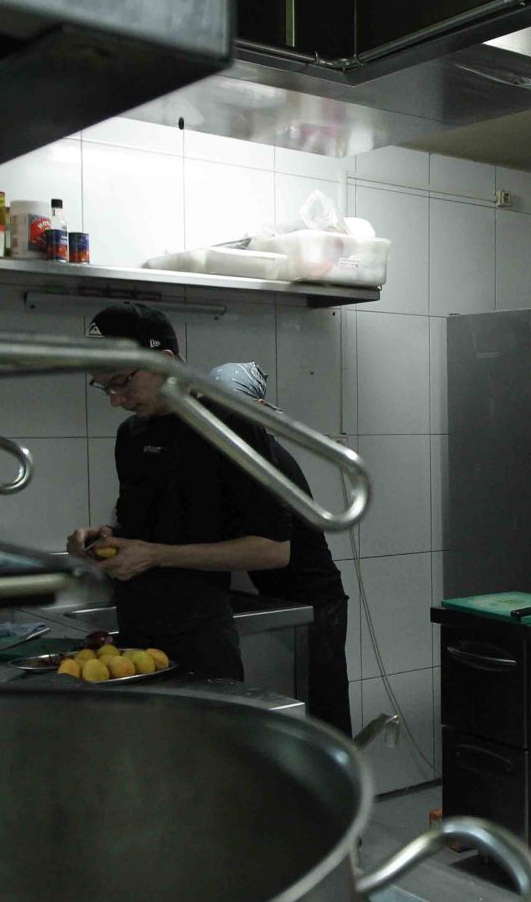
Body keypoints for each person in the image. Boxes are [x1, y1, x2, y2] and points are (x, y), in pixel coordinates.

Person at [68, 302, 291, 681]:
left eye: (122, 382)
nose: (115, 400)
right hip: (134, 636)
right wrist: (103, 540)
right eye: (104, 387)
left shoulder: (230, 425)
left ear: (166, 360)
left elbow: (273, 550)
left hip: (199, 636)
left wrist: (155, 556)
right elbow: (145, 527)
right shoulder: (132, 434)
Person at [207, 362, 352, 734]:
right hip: (284, 598)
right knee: (307, 708)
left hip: (316, 601)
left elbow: (267, 544)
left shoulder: (267, 459)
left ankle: (340, 788)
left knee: (324, 710)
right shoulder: (243, 456)